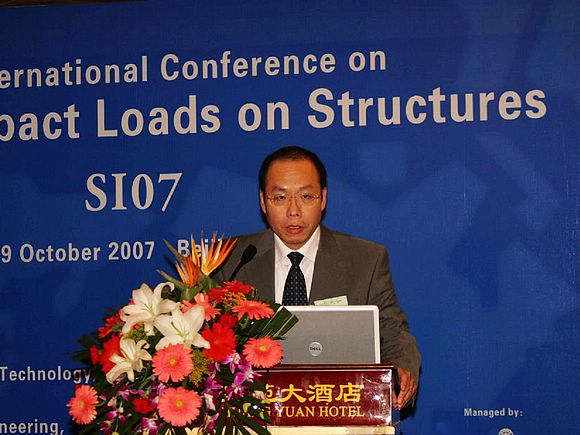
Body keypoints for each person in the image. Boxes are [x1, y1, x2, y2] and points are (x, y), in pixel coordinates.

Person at [217, 146, 420, 409]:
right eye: (280, 197)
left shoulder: (365, 260)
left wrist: (402, 366)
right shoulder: (231, 259)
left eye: (306, 196)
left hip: (339, 408)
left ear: (323, 198)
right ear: (263, 202)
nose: (293, 211)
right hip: (256, 412)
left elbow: (393, 331)